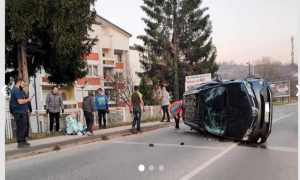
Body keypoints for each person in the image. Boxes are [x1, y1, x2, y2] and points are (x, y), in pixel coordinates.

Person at [10, 78, 33, 148]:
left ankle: (23, 141)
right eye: (23, 84)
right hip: (19, 112)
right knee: (21, 128)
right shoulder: (16, 90)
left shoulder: (19, 91)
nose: (23, 86)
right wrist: (28, 99)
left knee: (24, 127)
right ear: (19, 83)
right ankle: (20, 143)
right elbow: (20, 101)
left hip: (23, 112)